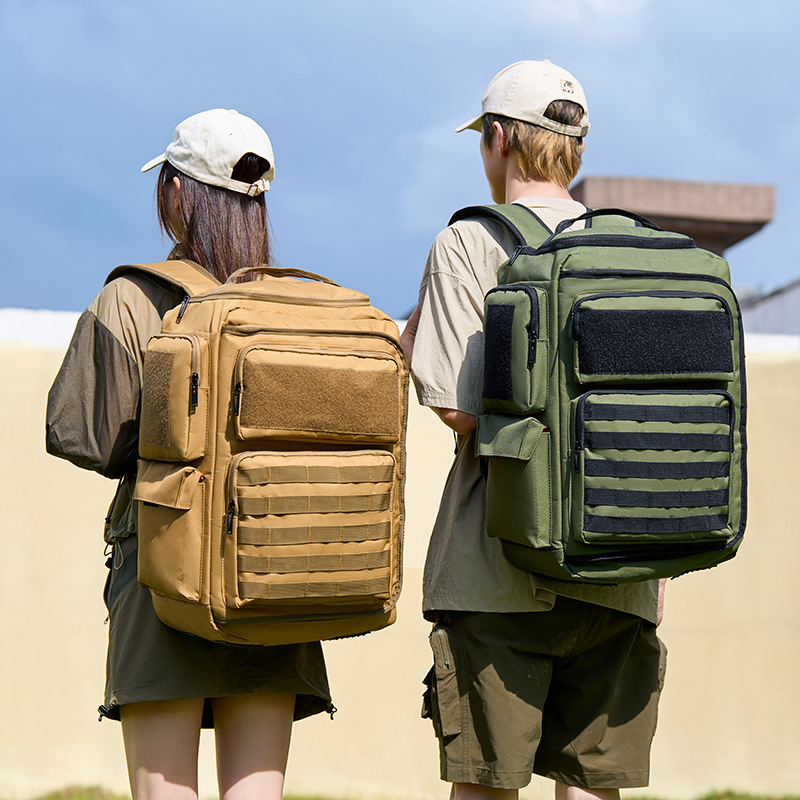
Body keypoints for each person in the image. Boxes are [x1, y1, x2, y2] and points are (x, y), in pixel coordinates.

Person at [46, 109, 333, 800]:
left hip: (164, 573)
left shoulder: (133, 297)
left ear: (175, 190)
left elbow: (79, 432)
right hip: (271, 577)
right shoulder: (292, 308)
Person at [401, 61, 667, 800]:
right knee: (592, 787)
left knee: (488, 785)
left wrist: (408, 346)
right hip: (618, 567)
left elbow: (460, 408)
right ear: (574, 146)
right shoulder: (630, 250)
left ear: (497, 137)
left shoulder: (467, 244)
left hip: (497, 570)